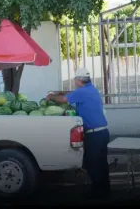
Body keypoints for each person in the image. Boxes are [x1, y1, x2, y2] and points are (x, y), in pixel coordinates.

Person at [46, 68, 111, 199]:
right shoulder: (91, 89)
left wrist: (51, 96)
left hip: (94, 135)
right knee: (101, 164)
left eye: (75, 79)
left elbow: (64, 99)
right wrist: (59, 92)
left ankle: (98, 193)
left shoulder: (82, 92)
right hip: (103, 132)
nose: (74, 81)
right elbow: (72, 93)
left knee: (93, 165)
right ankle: (105, 190)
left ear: (79, 80)